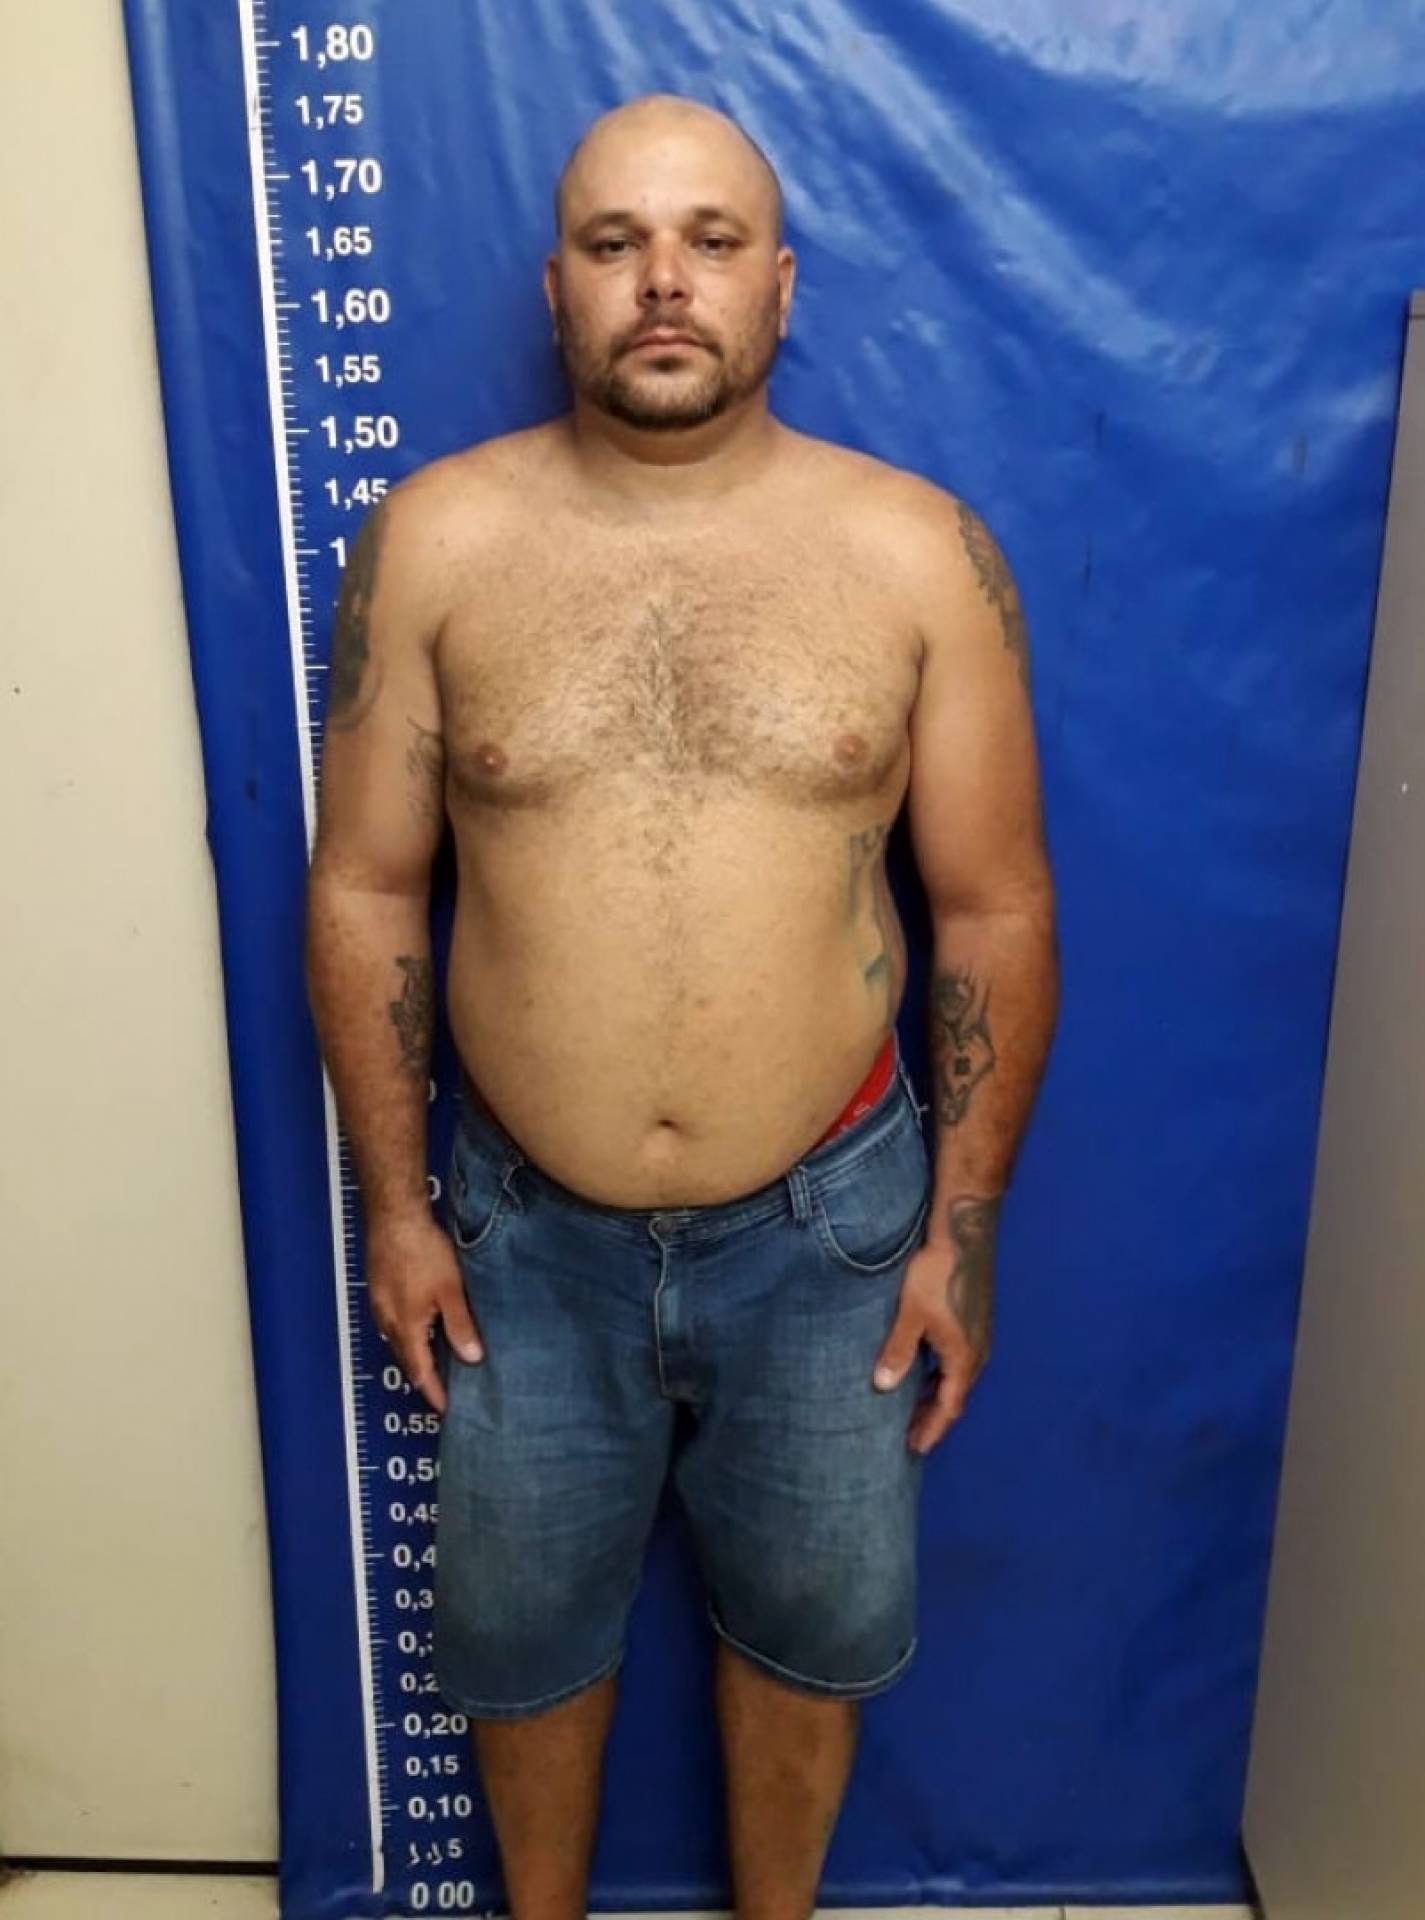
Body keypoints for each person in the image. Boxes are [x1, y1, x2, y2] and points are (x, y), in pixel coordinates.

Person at [305, 89, 1058, 1920]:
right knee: (518, 1639)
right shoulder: (435, 540)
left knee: (812, 1629)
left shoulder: (916, 553)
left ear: (777, 285)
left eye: (710, 242)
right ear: (553, 286)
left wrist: (959, 1229)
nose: (663, 281)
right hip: (519, 1240)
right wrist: (396, 1208)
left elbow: (993, 906)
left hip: (831, 1239)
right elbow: (365, 885)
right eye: (615, 242)